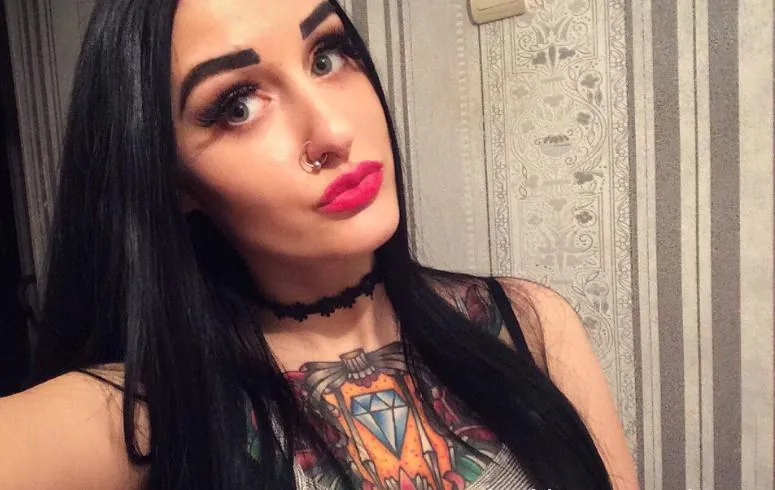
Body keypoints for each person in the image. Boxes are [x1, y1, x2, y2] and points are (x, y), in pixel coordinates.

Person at [0, 1, 638, 488]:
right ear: (171, 181)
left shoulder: (530, 323)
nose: (333, 131)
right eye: (238, 105)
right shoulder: (150, 413)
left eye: (326, 57)